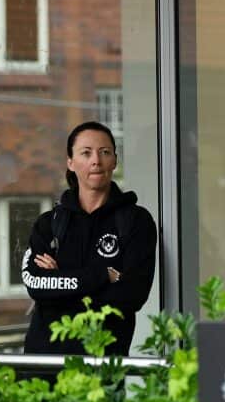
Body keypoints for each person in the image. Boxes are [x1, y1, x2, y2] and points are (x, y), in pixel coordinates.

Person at [22, 121, 158, 356]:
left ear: (115, 160)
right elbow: (36, 283)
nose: (96, 160)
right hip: (44, 366)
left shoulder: (136, 221)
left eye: (104, 152)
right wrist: (103, 275)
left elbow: (132, 295)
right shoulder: (49, 223)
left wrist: (61, 281)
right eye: (86, 153)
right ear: (70, 163)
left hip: (103, 365)